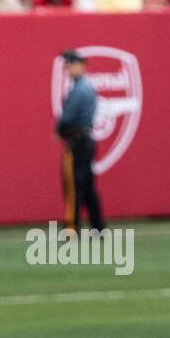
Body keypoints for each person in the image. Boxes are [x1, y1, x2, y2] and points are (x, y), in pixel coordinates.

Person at [56, 49, 105, 232]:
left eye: (70, 65)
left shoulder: (79, 90)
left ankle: (72, 227)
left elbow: (67, 118)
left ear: (80, 66)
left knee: (73, 185)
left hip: (78, 142)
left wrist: (60, 131)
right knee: (88, 186)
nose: (67, 70)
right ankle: (98, 227)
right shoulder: (87, 87)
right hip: (86, 140)